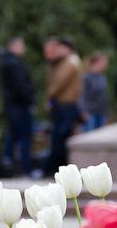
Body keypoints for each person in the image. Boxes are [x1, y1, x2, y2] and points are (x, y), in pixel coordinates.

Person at [44, 36, 83, 176]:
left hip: (66, 105)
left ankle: (59, 169)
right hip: (64, 104)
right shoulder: (66, 62)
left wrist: (49, 96)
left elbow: (58, 83)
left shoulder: (70, 63)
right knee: (59, 137)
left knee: (61, 137)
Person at [0, 36, 34, 175]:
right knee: (24, 137)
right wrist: (30, 100)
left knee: (12, 137)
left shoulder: (7, 62)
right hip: (19, 105)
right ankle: (25, 168)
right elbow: (20, 87)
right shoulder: (14, 64)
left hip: (13, 105)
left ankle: (7, 166)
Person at [81, 52, 109, 131]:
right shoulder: (86, 77)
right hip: (90, 113)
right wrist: (83, 111)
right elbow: (82, 96)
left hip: (101, 112)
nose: (106, 65)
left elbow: (104, 97)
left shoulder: (102, 77)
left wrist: (106, 114)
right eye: (104, 62)